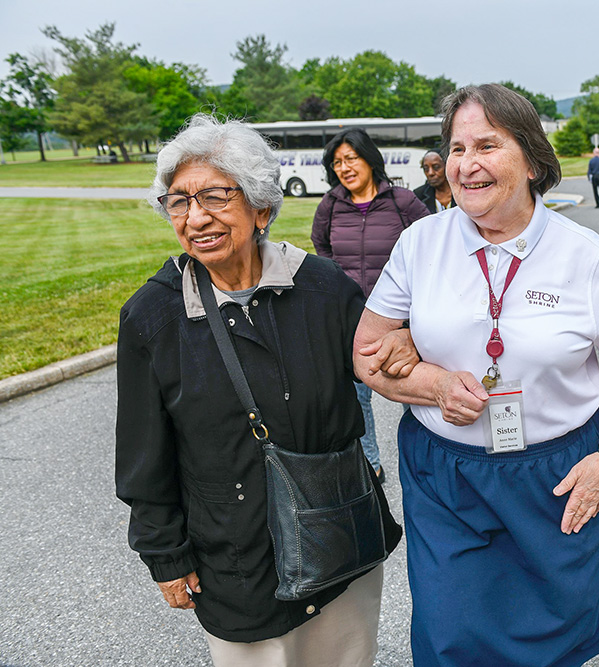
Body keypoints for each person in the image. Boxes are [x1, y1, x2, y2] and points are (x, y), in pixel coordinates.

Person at [353, 84, 599, 666]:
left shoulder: (584, 256)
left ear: (530, 157)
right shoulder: (420, 242)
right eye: (456, 147)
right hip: (447, 476)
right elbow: (366, 351)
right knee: (449, 637)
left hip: (557, 476)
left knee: (555, 642)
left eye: (487, 146)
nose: (466, 165)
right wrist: (433, 384)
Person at [116, 114, 410, 666]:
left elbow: (389, 362)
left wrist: (412, 348)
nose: (195, 217)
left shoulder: (323, 289)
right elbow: (142, 452)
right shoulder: (153, 317)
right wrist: (165, 555)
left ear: (261, 208)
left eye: (214, 197)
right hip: (236, 559)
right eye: (179, 201)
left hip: (338, 540)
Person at [311, 128, 431, 482]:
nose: (345, 167)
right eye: (337, 162)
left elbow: (432, 246)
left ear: (369, 159)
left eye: (351, 158)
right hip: (352, 320)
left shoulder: (402, 201)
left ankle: (426, 465)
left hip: (405, 322)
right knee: (357, 397)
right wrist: (341, 284)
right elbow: (322, 247)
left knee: (418, 392)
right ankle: (371, 465)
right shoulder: (331, 205)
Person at [412, 149, 455, 214]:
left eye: (436, 167)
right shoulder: (419, 195)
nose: (430, 173)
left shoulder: (461, 192)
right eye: (426, 169)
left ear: (447, 166)